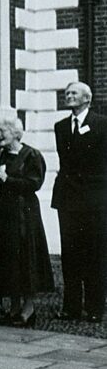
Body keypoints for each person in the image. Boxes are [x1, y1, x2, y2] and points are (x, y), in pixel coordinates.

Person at [0, 116, 54, 327]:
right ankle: (14, 306)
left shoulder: (31, 154)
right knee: (9, 259)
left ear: (15, 133)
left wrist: (9, 180)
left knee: (26, 257)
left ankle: (28, 308)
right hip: (5, 213)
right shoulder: (0, 154)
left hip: (25, 214)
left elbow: (35, 183)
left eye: (2, 132)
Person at [52, 82, 107, 323]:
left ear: (87, 98)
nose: (69, 96)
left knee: (95, 253)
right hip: (68, 199)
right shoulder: (61, 127)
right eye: (67, 93)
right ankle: (71, 306)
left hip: (94, 199)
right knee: (70, 253)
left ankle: (95, 307)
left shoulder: (102, 124)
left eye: (73, 93)